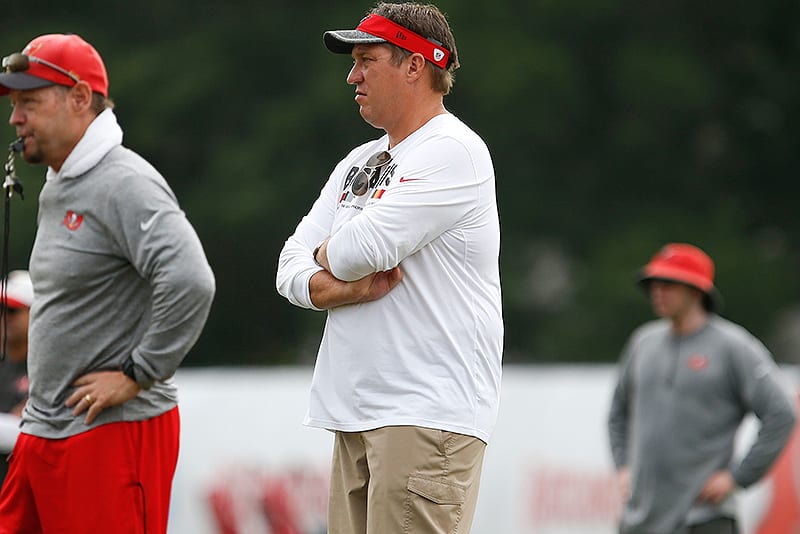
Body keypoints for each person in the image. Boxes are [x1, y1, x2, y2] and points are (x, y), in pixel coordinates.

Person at [276, 3, 503, 532]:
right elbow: (287, 267)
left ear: (414, 66)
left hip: (424, 416)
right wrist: (333, 290)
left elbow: (358, 251)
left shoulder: (454, 150)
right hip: (356, 412)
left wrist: (330, 253)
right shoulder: (359, 160)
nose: (351, 76)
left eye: (365, 60)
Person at [0, 33, 215, 533]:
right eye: (14, 105)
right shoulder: (63, 179)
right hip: (48, 427)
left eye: (29, 102)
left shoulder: (123, 181)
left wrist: (138, 372)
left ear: (79, 99)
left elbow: (190, 279)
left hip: (112, 434)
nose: (15, 119)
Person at [608, 243, 797, 534]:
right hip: (642, 519)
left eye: (668, 283)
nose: (657, 291)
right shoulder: (643, 343)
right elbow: (618, 411)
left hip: (704, 519)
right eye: (653, 284)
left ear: (697, 291)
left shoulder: (733, 346)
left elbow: (781, 413)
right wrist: (623, 465)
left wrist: (737, 478)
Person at [0, 270, 33, 486]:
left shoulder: (53, 368)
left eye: (12, 311)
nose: (3, 317)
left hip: (25, 484)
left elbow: (29, 436)